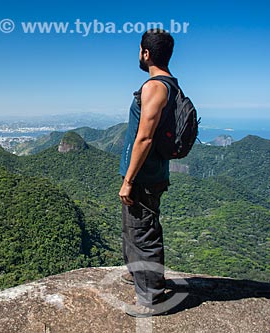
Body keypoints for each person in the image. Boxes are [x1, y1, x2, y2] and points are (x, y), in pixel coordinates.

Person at [118, 29, 177, 317]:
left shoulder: (154, 87)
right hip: (150, 173)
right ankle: (138, 275)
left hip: (145, 176)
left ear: (146, 53)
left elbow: (144, 138)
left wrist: (129, 180)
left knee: (144, 232)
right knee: (134, 228)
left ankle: (152, 297)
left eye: (139, 50)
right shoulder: (169, 85)